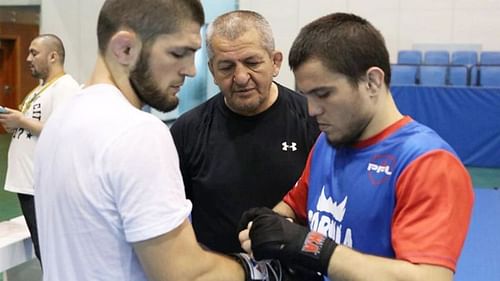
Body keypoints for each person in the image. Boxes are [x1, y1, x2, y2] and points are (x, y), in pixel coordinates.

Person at [32, 1, 276, 280]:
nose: (191, 70)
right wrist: (259, 272)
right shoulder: (137, 132)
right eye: (178, 53)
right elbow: (185, 274)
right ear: (125, 48)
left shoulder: (59, 123)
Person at [238, 12, 474, 281]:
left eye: (323, 94)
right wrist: (268, 223)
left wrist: (313, 248)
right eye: (307, 96)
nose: (312, 110)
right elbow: (296, 205)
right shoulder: (327, 144)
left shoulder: (427, 163)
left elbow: (430, 277)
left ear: (372, 82)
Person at [170, 10, 319, 254]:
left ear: (275, 62)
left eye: (252, 63)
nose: (240, 77)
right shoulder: (187, 132)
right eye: (226, 67)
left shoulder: (314, 122)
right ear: (212, 71)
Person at [0, 33, 80, 264]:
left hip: (43, 185)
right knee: (42, 248)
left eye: (34, 52)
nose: (27, 58)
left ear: (53, 56)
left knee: (50, 252)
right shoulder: (40, 90)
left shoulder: (66, 87)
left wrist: (22, 121)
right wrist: (14, 122)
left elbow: (64, 132)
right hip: (28, 184)